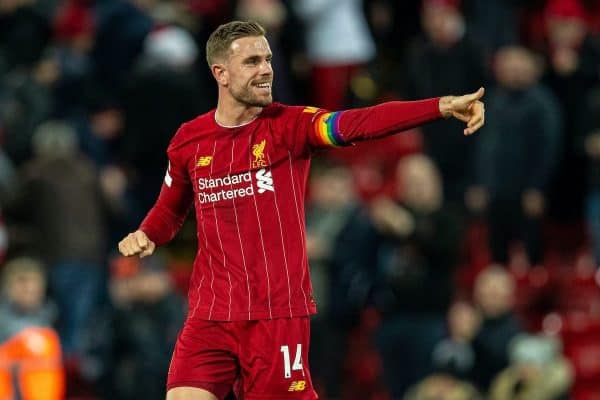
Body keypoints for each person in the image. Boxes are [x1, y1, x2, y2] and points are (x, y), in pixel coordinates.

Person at [117, 20, 485, 400]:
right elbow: (169, 209)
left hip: (276, 314)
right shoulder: (189, 140)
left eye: (269, 59)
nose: (266, 70)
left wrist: (438, 107)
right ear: (220, 73)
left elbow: (357, 123)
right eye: (252, 61)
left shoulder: (290, 126)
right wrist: (147, 234)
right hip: (211, 312)